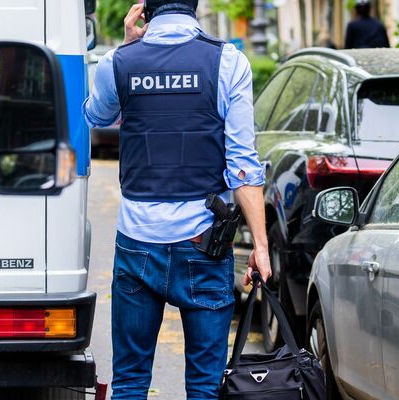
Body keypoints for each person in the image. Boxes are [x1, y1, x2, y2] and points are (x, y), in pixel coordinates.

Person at [82, 1, 272, 398]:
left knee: (131, 381)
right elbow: (242, 166)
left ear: (146, 10)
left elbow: (97, 117)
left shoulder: (118, 62)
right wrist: (260, 245)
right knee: (204, 386)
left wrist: (128, 48)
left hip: (138, 246)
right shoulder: (228, 62)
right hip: (204, 245)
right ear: (195, 4)